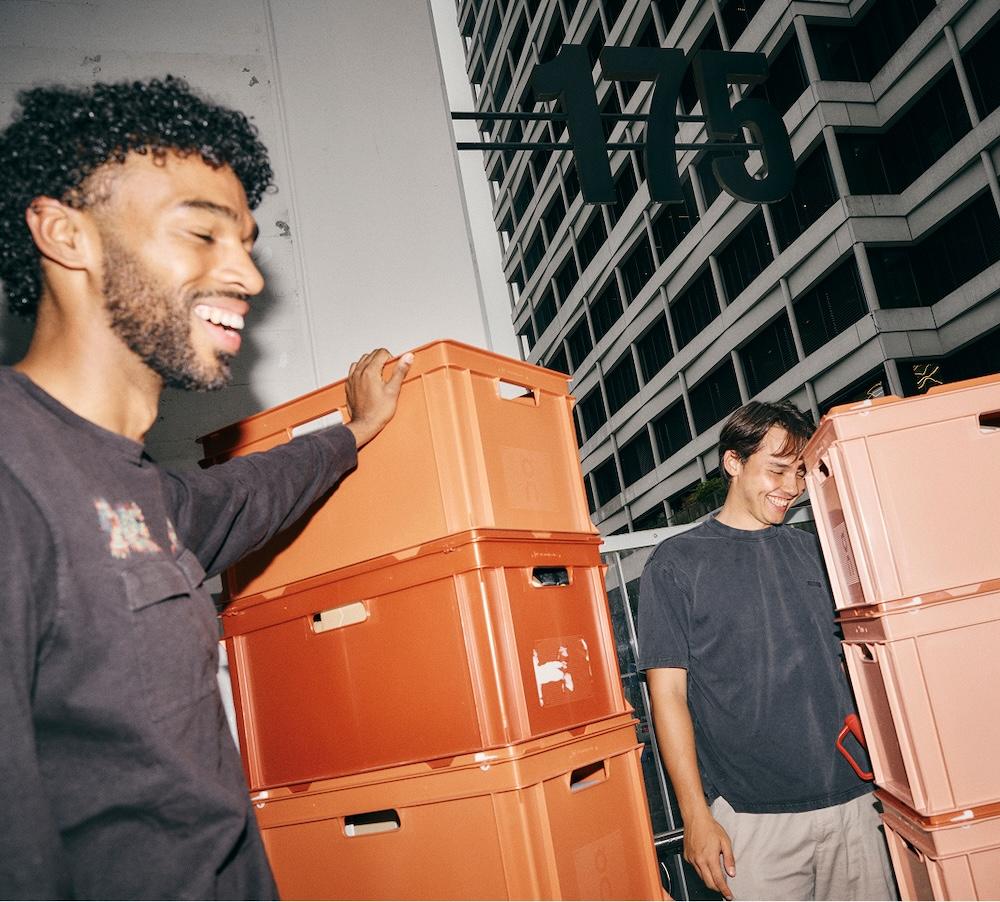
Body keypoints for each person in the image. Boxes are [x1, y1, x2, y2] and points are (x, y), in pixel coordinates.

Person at [0, 76, 412, 899]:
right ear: (63, 234)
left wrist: (355, 431)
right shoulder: (13, 469)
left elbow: (242, 497)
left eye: (248, 243)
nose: (249, 278)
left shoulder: (138, 491)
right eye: (202, 234)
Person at [637, 401, 897, 901]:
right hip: (752, 820)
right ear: (733, 463)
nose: (793, 488)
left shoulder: (815, 550)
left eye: (799, 472)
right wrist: (695, 815)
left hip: (857, 801)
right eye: (777, 470)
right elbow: (666, 696)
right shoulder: (676, 563)